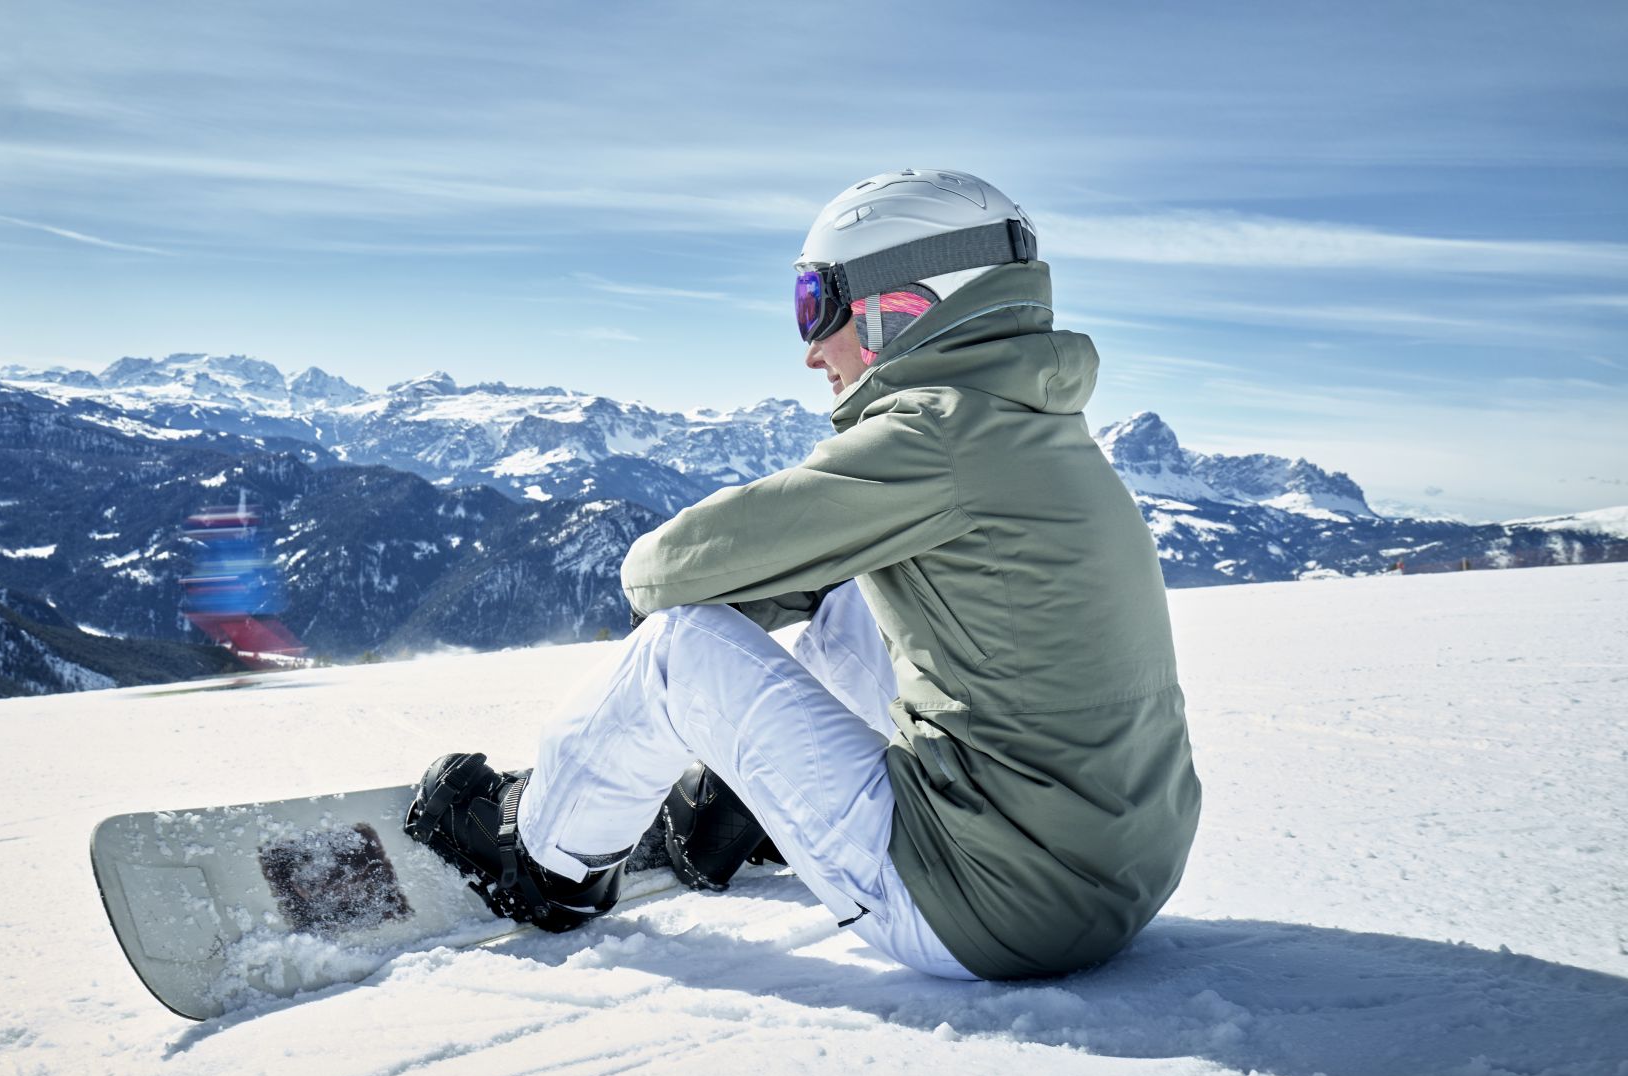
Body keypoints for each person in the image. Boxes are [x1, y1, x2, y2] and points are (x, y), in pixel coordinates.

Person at [405, 168, 1202, 981]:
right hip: (1114, 878)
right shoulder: (1036, 428)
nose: (812, 348)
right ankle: (731, 809)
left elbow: (660, 572)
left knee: (682, 648)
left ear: (906, 306)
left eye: (816, 306)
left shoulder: (936, 436)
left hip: (986, 908)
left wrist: (739, 608)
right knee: (860, 590)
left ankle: (544, 862)